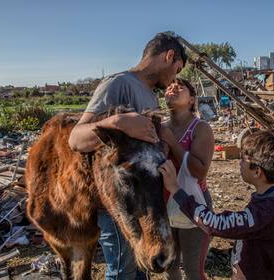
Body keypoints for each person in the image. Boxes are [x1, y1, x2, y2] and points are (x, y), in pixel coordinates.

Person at [68, 32, 187, 280]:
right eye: (177, 69)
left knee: (142, 267)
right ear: (169, 55)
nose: (175, 79)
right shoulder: (118, 84)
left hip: (144, 201)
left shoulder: (150, 94)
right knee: (123, 270)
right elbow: (76, 139)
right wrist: (119, 122)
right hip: (120, 203)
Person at [159, 130, 274, 280]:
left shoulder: (266, 210)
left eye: (244, 159)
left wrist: (176, 189)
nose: (239, 163)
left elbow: (215, 223)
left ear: (257, 172)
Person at [160, 78, 215, 280]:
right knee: (169, 266)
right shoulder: (160, 128)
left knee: (193, 271)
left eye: (180, 86)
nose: (172, 87)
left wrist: (172, 143)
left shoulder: (200, 128)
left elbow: (199, 171)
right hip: (163, 206)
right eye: (169, 85)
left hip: (193, 203)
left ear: (192, 100)